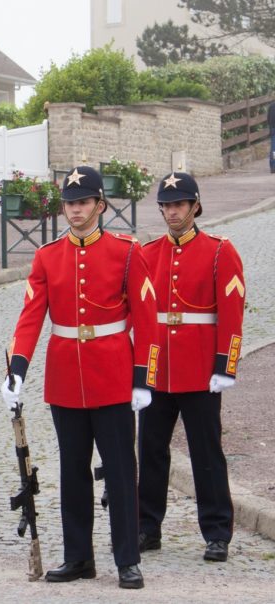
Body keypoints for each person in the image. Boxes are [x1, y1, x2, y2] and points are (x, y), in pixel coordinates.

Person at [0, 166, 159, 589]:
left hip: (113, 374)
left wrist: (144, 378)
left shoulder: (126, 252)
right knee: (72, 470)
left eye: (83, 202)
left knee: (121, 469)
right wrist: (17, 370)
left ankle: (127, 558)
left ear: (100, 205)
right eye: (70, 203)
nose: (75, 210)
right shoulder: (47, 256)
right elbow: (31, 316)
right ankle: (78, 557)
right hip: (66, 376)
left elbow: (146, 319)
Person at [138, 171, 244, 563]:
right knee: (150, 451)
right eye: (166, 206)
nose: (172, 212)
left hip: (201, 372)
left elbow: (231, 312)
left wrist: (225, 366)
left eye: (179, 204)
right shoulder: (148, 254)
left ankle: (217, 532)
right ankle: (146, 527)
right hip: (158, 370)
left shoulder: (220, 251)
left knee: (206, 452)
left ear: (195, 206)